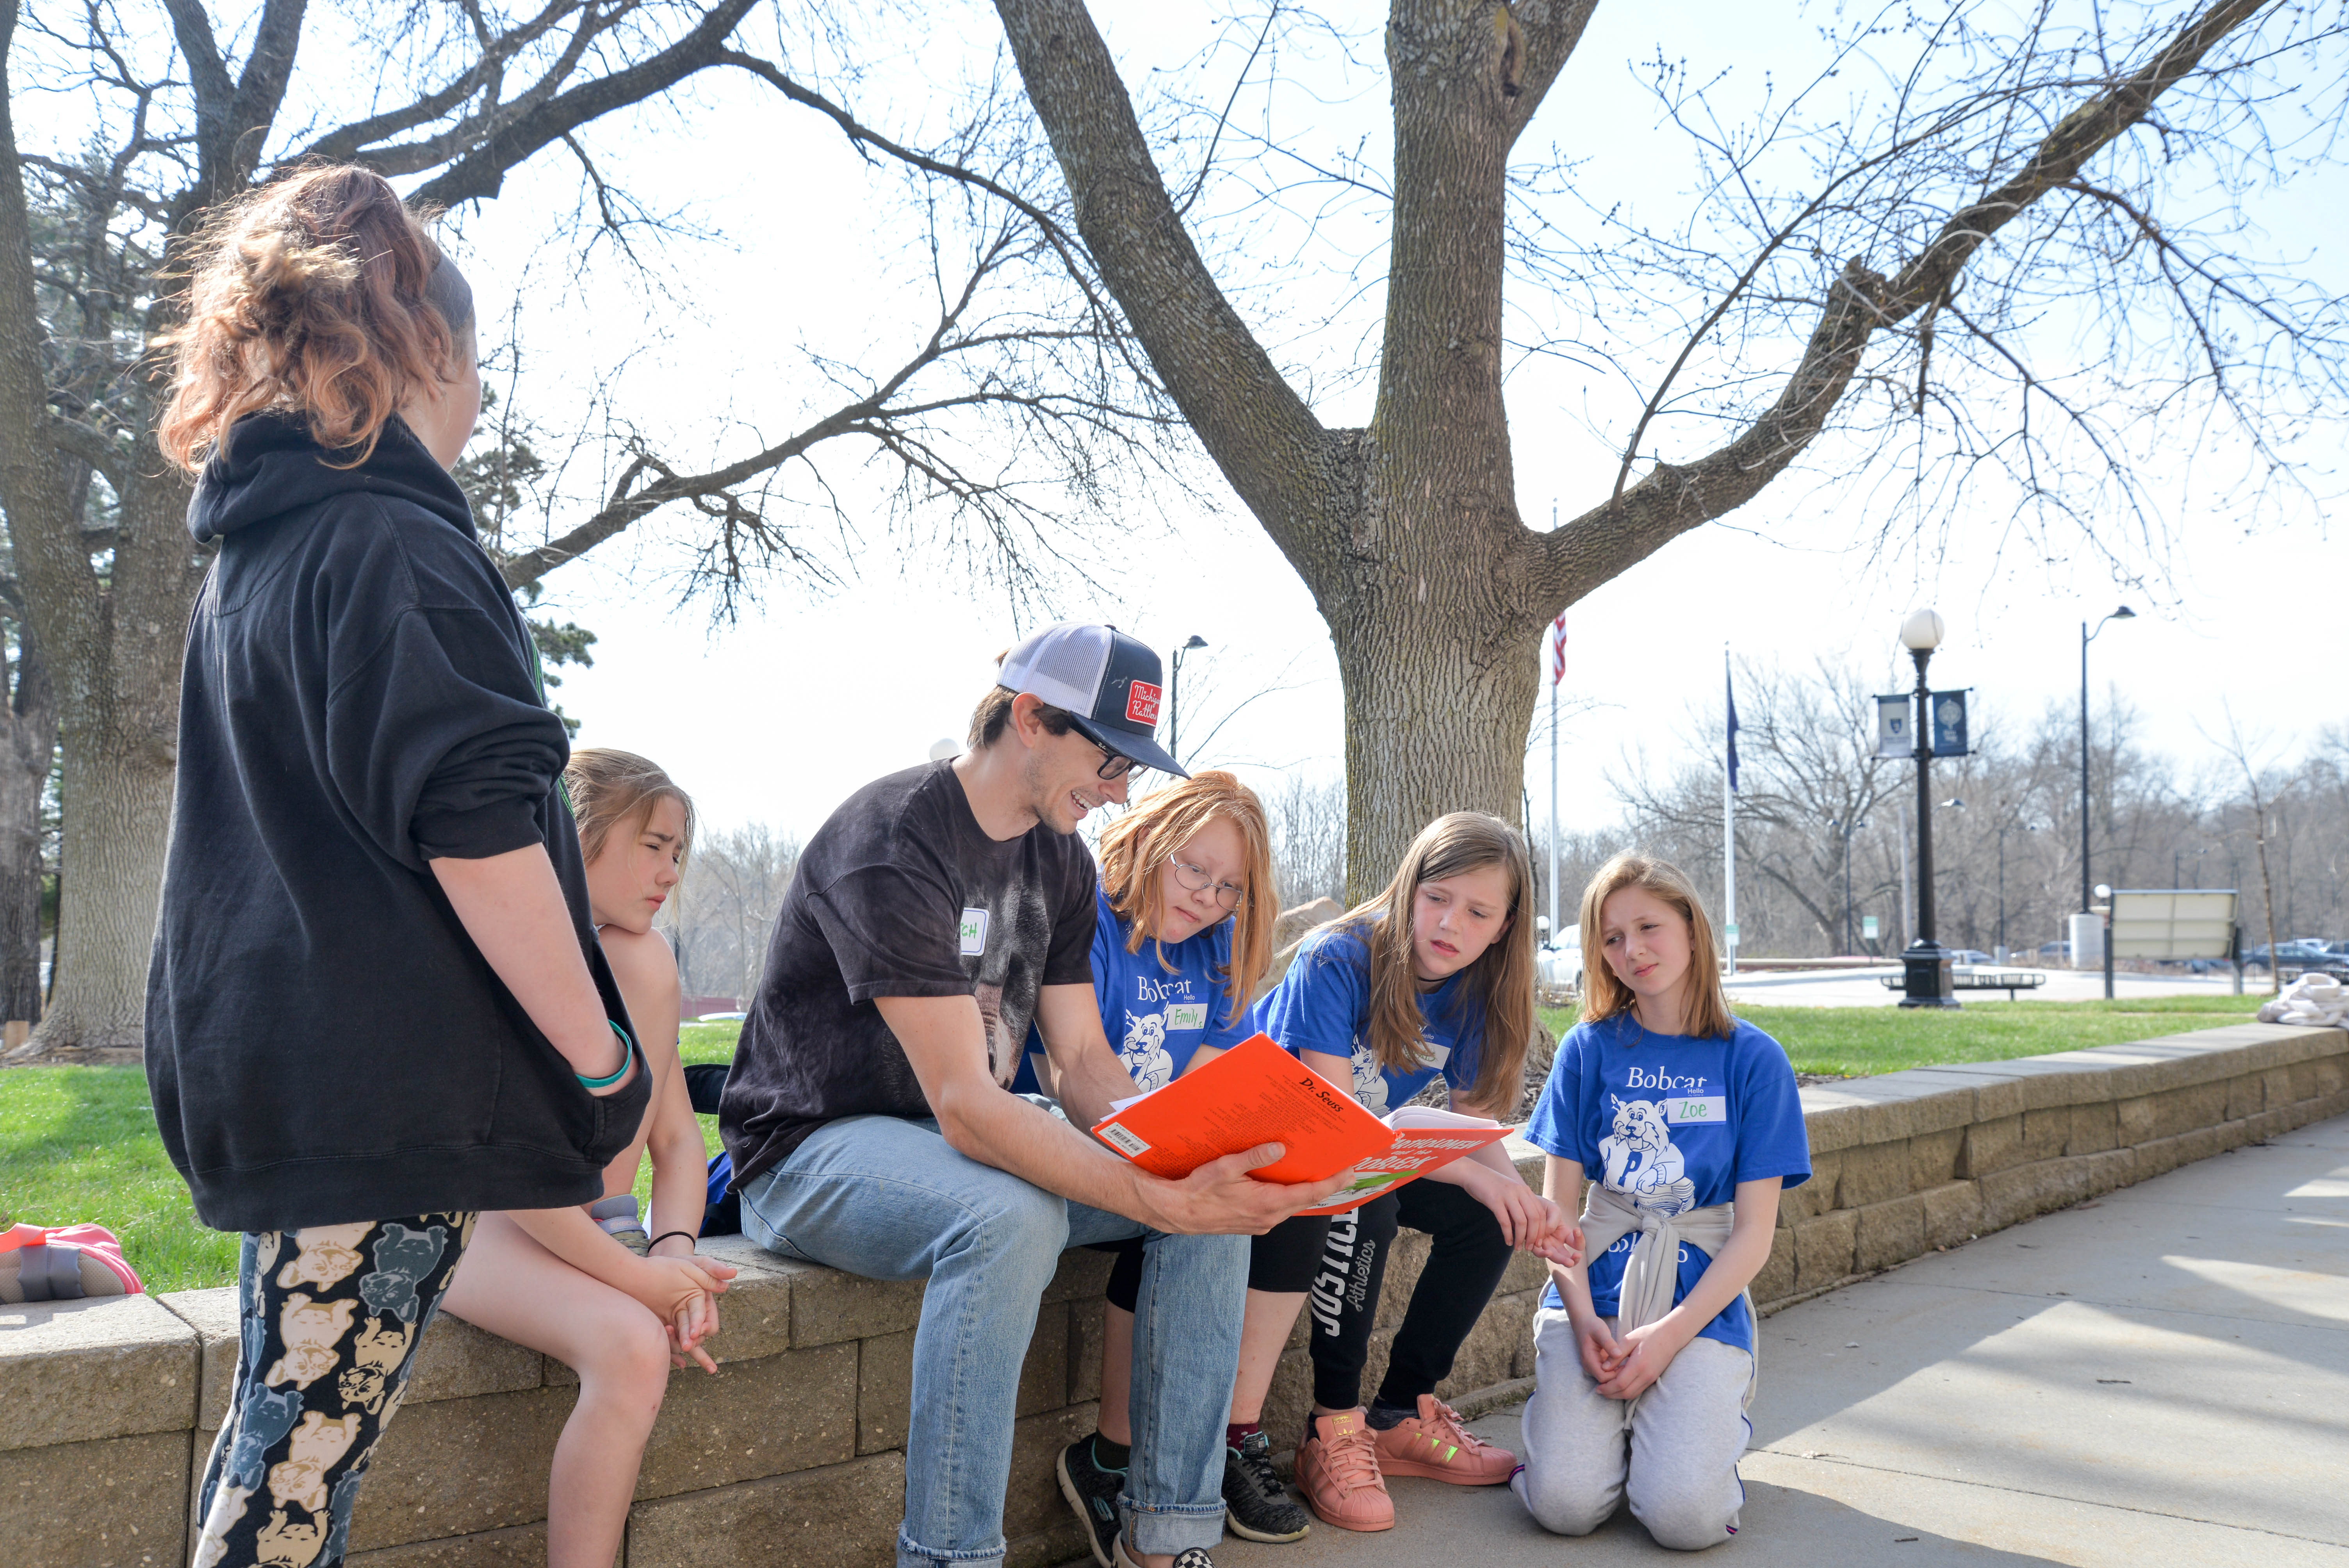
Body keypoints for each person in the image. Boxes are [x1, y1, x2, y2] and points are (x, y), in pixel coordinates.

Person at [144, 167, 713, 1568]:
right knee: (293, 1485)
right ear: (429, 354)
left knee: (283, 1447)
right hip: (377, 1089)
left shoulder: (260, 554)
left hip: (282, 1080)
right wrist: (599, 1058)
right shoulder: (391, 540)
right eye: (478, 372)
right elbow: (476, 826)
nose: (479, 406)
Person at [720, 623, 1351, 1568]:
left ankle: (1166, 1536)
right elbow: (966, 1105)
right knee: (1012, 1216)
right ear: (1029, 717)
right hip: (813, 1149)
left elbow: (1083, 1060)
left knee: (1212, 1199)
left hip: (945, 1137)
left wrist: (1175, 1159)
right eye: (1107, 759)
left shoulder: (1059, 860)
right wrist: (1152, 1195)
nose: (1118, 790)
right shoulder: (893, 838)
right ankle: (951, 1557)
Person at [1004, 770, 1319, 1554]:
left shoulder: (1219, 951)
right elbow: (1064, 1073)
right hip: (1067, 1147)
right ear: (1148, 840)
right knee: (1208, 1209)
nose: (1207, 897)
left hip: (1157, 1154)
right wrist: (1179, 1162)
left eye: (1228, 886)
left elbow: (1207, 1092)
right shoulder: (1087, 920)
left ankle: (1181, 1505)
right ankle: (1118, 1462)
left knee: (1285, 1200)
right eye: (1193, 868)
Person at [440, 749, 737, 1568]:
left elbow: (676, 1142)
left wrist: (673, 1251)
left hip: (592, 1227)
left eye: (678, 852)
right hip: (481, 1217)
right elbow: (504, 1172)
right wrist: (638, 1280)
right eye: (652, 846)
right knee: (633, 1347)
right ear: (576, 838)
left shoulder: (644, 961)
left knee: (644, 1330)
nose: (670, 872)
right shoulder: (508, 949)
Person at [1252, 813, 1582, 1533]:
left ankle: (1400, 1414)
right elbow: (1335, 1131)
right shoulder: (1338, 957)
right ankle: (1332, 1427)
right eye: (1437, 897)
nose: (1451, 923)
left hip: (1360, 1152)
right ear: (1408, 890)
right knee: (1367, 1204)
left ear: (1505, 927)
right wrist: (1476, 1177)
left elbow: (1472, 1130)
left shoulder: (1477, 991)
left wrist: (1522, 1203)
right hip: (1276, 1152)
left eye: (1478, 912)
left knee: (1491, 1216)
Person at [1511, 852, 1810, 1550]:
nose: (1633, 951)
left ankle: (1693, 1437)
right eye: (1612, 938)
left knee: (1685, 1521)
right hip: (1593, 1298)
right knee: (1563, 1506)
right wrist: (1584, 1320)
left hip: (1697, 1308)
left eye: (1649, 927)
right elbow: (1559, 1220)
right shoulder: (1586, 1050)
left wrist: (1670, 1336)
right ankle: (1589, 1444)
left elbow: (1753, 1235)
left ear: (1692, 929)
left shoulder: (1754, 1059)